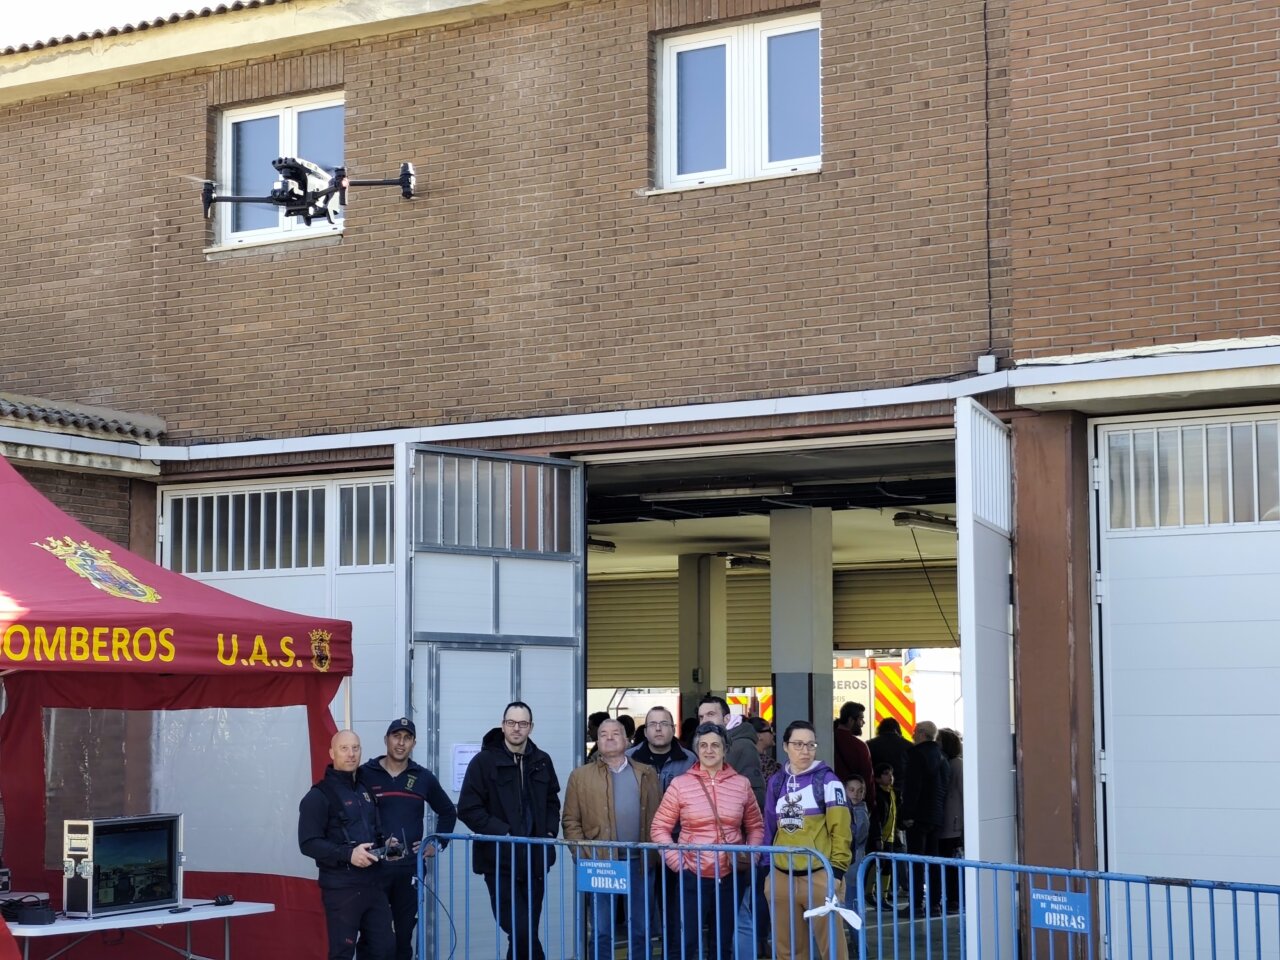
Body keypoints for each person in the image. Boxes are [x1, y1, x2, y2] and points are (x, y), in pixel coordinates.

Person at [650, 722, 764, 960]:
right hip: (692, 874)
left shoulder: (741, 784)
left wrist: (751, 857)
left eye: (715, 745)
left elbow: (755, 826)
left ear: (725, 749)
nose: (709, 750)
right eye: (703, 745)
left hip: (730, 874)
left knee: (722, 942)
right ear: (696, 750)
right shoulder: (680, 785)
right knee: (687, 941)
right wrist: (677, 862)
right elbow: (659, 828)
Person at [457, 702, 561, 960]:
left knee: (524, 932)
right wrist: (502, 832)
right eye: (512, 723)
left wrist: (549, 833)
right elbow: (468, 808)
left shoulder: (542, 761)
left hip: (535, 862)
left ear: (531, 727)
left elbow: (552, 803)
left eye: (523, 723)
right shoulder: (483, 762)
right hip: (499, 862)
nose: (517, 728)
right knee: (521, 929)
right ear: (503, 725)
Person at [562, 718, 662, 960]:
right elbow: (570, 821)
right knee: (601, 929)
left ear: (627, 739)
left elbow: (659, 815)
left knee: (640, 927)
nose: (608, 737)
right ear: (597, 741)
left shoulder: (646, 773)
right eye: (603, 734)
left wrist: (655, 852)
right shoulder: (580, 776)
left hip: (639, 861)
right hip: (601, 863)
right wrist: (583, 855)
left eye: (615, 733)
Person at [361, 717, 458, 960]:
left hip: (408, 870)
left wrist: (437, 843)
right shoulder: (365, 773)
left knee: (403, 935)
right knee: (372, 934)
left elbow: (448, 811)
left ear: (414, 743)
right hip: (373, 869)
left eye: (407, 738)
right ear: (386, 739)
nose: (401, 743)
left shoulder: (423, 777)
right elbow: (350, 812)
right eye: (396, 736)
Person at [298, 730, 393, 960]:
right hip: (342, 890)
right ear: (332, 753)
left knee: (385, 950)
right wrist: (348, 854)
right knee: (342, 954)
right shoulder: (318, 796)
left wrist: (387, 846)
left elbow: (372, 832)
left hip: (374, 885)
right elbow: (308, 843)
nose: (351, 754)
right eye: (344, 748)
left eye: (356, 748)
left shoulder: (365, 790)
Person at [763, 720, 851, 960]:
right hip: (781, 875)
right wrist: (767, 872)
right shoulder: (776, 782)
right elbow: (770, 827)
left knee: (833, 950)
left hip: (820, 875)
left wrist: (837, 874)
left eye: (810, 744)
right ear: (785, 746)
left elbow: (841, 832)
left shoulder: (829, 782)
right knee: (787, 951)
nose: (805, 750)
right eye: (798, 744)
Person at [900, 720, 950, 912]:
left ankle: (915, 904)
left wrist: (907, 814)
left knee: (916, 862)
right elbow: (944, 787)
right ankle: (935, 903)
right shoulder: (942, 757)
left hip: (918, 816)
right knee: (934, 861)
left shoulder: (916, 755)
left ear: (921, 733)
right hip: (935, 816)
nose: (912, 735)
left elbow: (913, 787)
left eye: (914, 732)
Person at [697, 695, 765, 810]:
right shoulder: (705, 744)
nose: (704, 721)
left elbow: (756, 795)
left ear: (727, 719)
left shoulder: (743, 746)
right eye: (701, 717)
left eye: (710, 715)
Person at [627, 706, 695, 792]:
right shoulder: (629, 758)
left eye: (664, 724)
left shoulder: (690, 760)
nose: (658, 729)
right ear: (645, 732)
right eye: (652, 724)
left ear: (673, 730)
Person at [832, 702, 876, 818]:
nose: (863, 723)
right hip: (852, 805)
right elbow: (867, 778)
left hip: (830, 802)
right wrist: (870, 805)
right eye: (861, 719)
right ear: (851, 720)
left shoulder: (827, 739)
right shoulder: (859, 746)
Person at [936, 728, 964, 910]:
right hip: (948, 822)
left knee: (951, 863)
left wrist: (962, 825)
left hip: (953, 824)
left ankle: (954, 898)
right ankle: (952, 897)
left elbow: (963, 795)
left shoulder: (956, 765)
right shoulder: (949, 763)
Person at [841, 776, 869, 918]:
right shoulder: (847, 810)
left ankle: (857, 938)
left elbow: (856, 837)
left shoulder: (859, 812)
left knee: (851, 902)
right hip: (848, 861)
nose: (856, 794)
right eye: (851, 790)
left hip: (853, 862)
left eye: (860, 791)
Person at [867, 717, 910, 789]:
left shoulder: (869, 745)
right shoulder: (909, 746)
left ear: (880, 729)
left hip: (878, 790)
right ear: (898, 730)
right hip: (902, 790)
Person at [750, 717, 780, 781]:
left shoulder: (743, 760)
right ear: (759, 736)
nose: (774, 734)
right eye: (770, 730)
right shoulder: (768, 764)